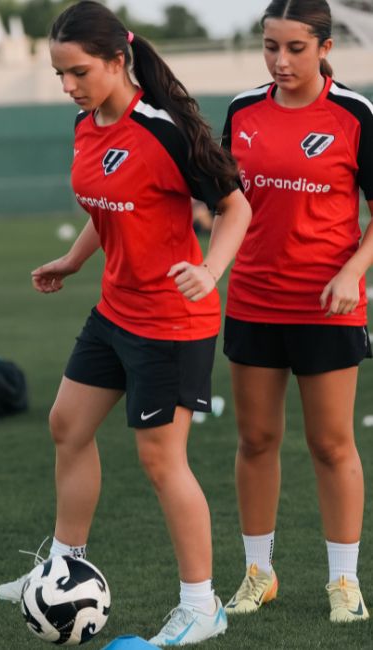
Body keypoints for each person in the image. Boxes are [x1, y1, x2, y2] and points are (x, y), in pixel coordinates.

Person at [0, 1, 252, 645]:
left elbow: (234, 206)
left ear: (116, 61)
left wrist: (211, 269)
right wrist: (75, 259)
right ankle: (63, 562)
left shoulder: (165, 131)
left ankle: (201, 606)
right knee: (66, 425)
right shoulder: (87, 124)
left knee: (162, 460)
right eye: (59, 74)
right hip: (115, 310)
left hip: (171, 320)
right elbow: (109, 206)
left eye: (77, 72)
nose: (67, 87)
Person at [220, 0, 372, 624]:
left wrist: (352, 271)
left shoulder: (356, 115)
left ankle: (344, 582)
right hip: (253, 299)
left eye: (295, 49)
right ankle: (259, 572)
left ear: (326, 48)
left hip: (329, 305)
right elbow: (225, 203)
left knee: (331, 443)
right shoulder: (240, 111)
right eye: (270, 47)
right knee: (256, 439)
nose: (280, 61)